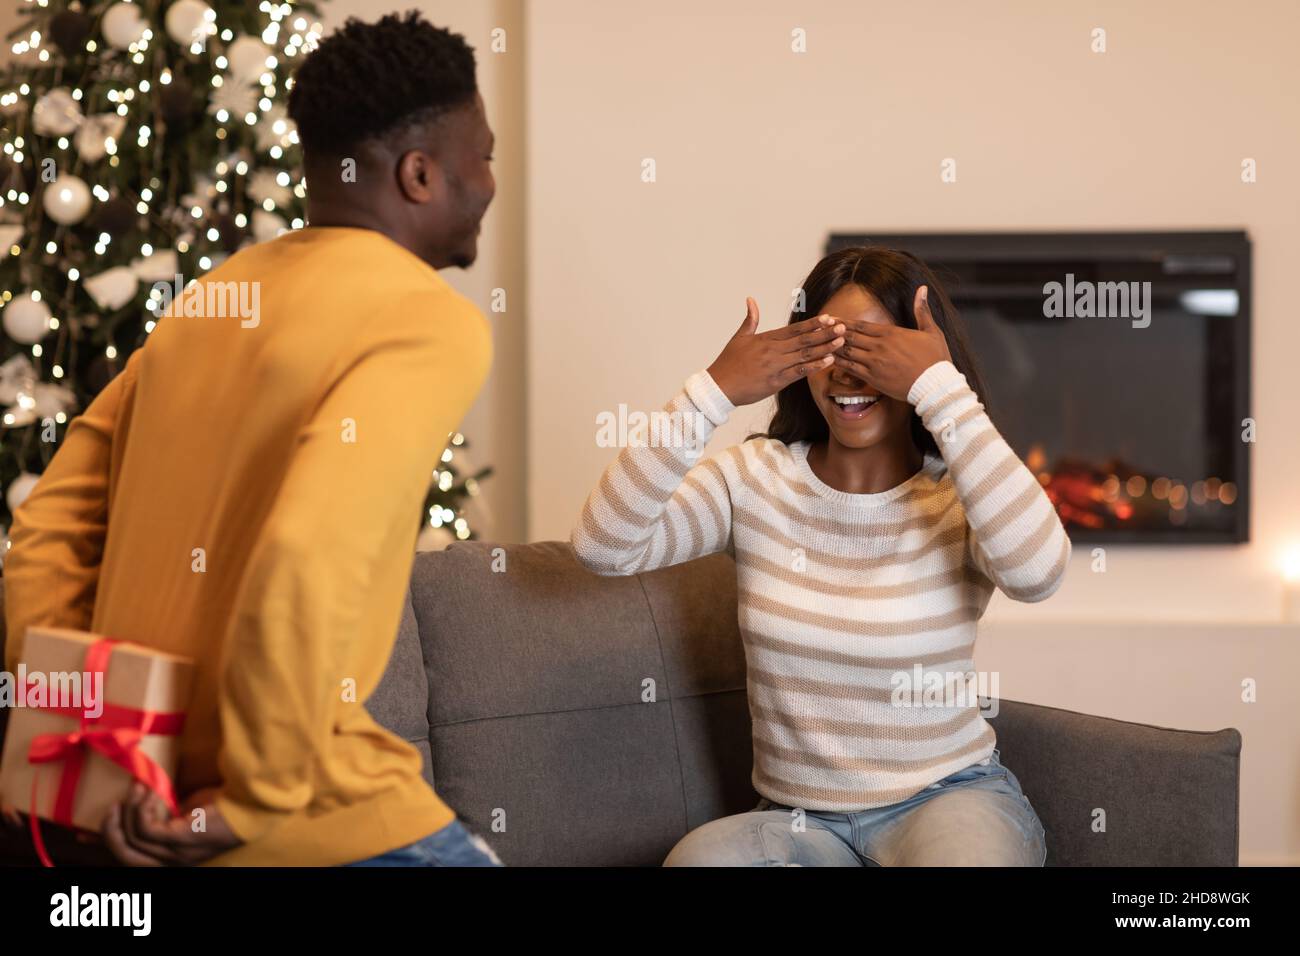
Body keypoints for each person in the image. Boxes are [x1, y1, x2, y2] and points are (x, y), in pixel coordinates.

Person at [3, 12, 501, 866]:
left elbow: (46, 525)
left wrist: (93, 738)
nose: (491, 182)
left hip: (133, 801)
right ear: (421, 174)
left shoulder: (212, 299)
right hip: (312, 824)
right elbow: (312, 549)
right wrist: (252, 801)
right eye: (482, 157)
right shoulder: (426, 320)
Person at [571, 246, 1069, 865]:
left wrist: (943, 391)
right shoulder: (754, 481)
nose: (848, 372)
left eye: (875, 350)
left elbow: (1038, 574)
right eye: (833, 347)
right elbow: (603, 546)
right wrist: (712, 393)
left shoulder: (960, 493)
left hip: (946, 802)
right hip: (799, 825)